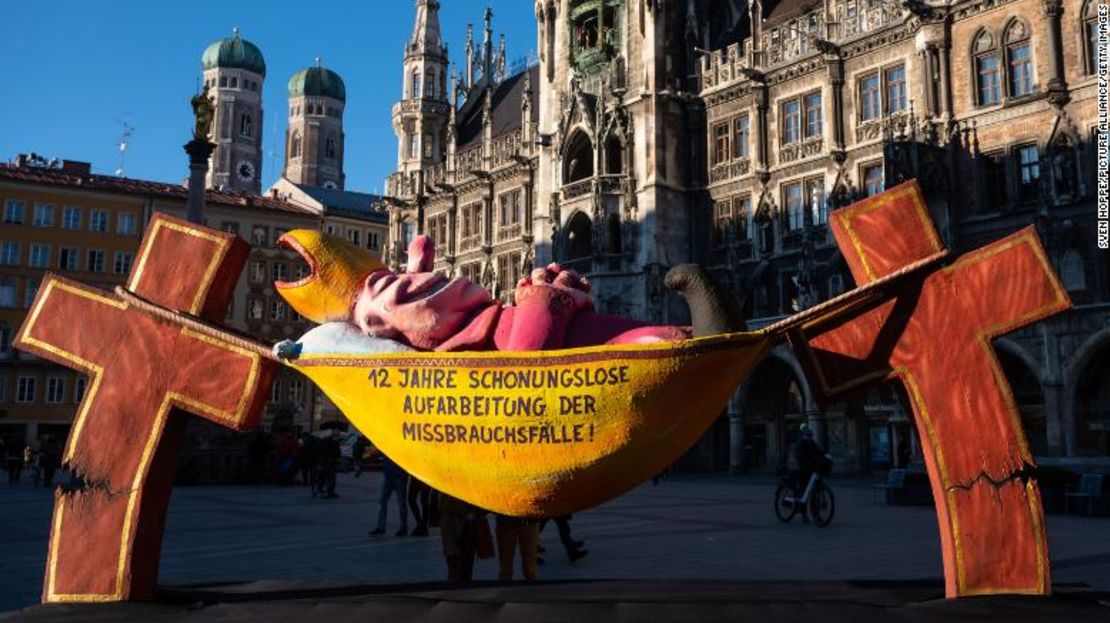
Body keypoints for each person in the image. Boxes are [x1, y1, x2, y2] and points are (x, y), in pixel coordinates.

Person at [436, 490, 481, 581]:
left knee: (463, 555)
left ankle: (458, 580)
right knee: (456, 556)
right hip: (454, 515)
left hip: (462, 516)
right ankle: (458, 580)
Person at [793, 425, 829, 522]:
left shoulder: (812, 443)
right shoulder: (800, 444)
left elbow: (819, 451)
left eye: (810, 435)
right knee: (804, 492)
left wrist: (825, 456)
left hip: (812, 470)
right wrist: (806, 461)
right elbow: (798, 456)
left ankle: (816, 515)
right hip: (803, 471)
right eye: (807, 435)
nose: (809, 437)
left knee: (814, 493)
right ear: (803, 435)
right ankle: (804, 515)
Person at [370, 452, 408, 536]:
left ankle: (403, 527)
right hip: (390, 478)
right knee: (383, 502)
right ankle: (381, 527)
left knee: (401, 503)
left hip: (398, 478)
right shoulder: (387, 448)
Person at [495, 515, 539, 581]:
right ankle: (531, 584)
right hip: (527, 521)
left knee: (505, 565)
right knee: (530, 566)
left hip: (507, 521)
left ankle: (505, 584)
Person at [318, 431, 341, 499]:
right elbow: (325, 452)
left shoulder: (335, 442)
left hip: (331, 462)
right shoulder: (328, 443)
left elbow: (337, 452)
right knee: (328, 477)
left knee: (331, 478)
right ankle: (327, 491)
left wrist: (337, 459)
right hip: (327, 462)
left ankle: (329, 491)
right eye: (337, 436)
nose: (337, 437)